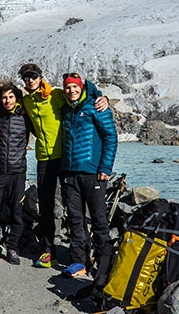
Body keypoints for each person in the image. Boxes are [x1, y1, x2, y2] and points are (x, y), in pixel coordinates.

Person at [18, 63, 108, 269]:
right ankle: (49, 251)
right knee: (46, 205)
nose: (30, 80)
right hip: (44, 158)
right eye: (26, 77)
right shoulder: (26, 101)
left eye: (33, 76)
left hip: (66, 158)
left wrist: (103, 97)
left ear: (40, 77)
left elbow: (81, 93)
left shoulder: (57, 95)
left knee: (74, 207)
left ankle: (84, 254)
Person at [59, 72, 117, 278]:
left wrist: (105, 168)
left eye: (75, 87)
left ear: (82, 88)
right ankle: (79, 262)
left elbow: (110, 136)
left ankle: (104, 263)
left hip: (93, 174)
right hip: (69, 173)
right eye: (68, 87)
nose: (71, 91)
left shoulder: (95, 106)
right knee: (75, 219)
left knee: (99, 220)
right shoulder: (65, 108)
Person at [0, 82, 33, 265]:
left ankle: (13, 247)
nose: (7, 100)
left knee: (17, 210)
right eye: (4, 97)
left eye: (10, 97)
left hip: (17, 171)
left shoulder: (26, 116)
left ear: (17, 98)